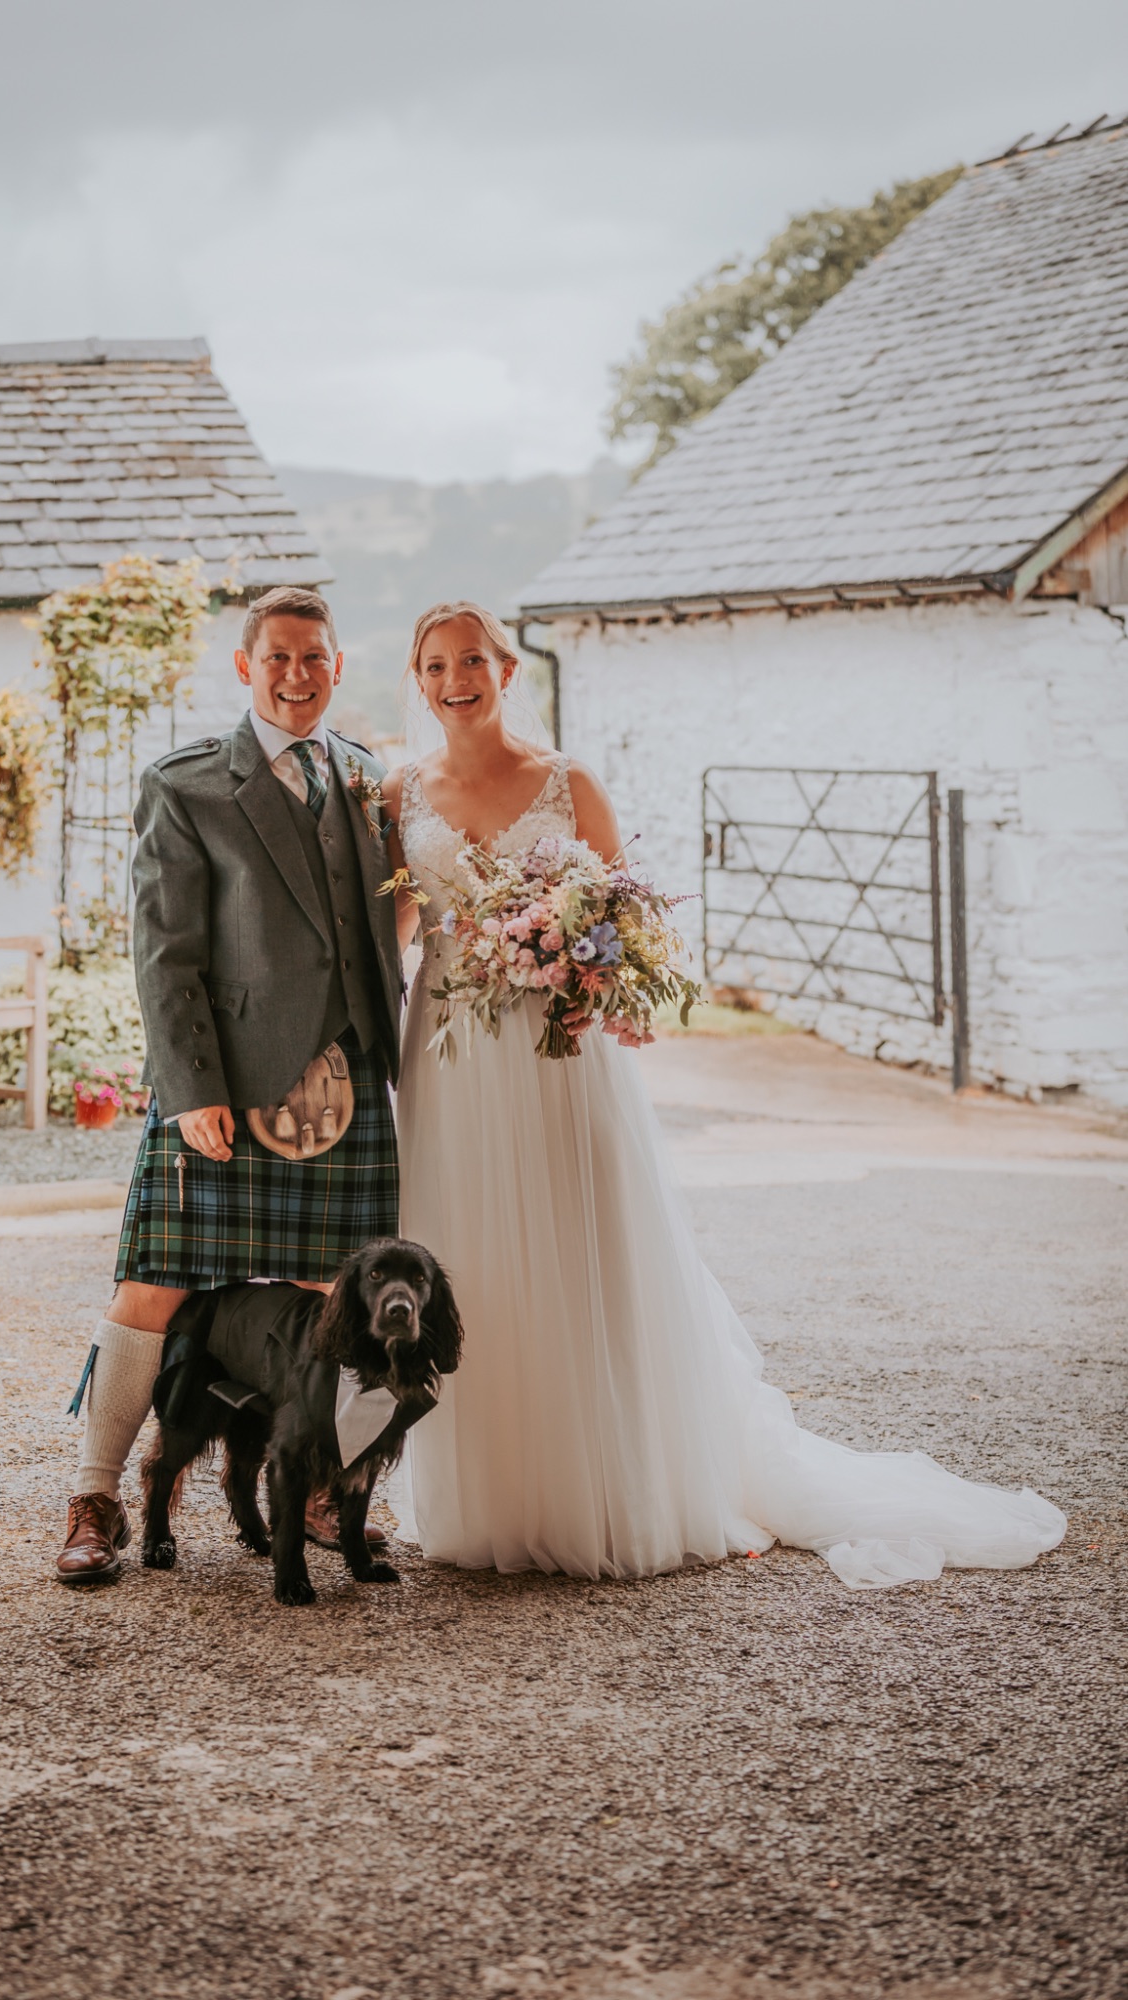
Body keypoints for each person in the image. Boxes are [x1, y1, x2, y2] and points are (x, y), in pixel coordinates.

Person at [380, 602, 1066, 1588]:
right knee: (467, 1249)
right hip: (448, 1051)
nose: (457, 680)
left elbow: (625, 921)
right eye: (437, 664)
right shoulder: (402, 789)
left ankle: (595, 1484)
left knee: (580, 1245)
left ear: (506, 667)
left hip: (556, 1053)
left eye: (473, 661)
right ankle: (487, 1490)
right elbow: (397, 927)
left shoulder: (568, 783)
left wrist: (588, 984)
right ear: (417, 673)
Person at [56, 586, 403, 1583]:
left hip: (347, 1083)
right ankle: (96, 1499)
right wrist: (192, 1086)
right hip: (224, 1084)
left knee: (335, 1293)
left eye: (315, 656)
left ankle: (328, 1486)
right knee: (151, 1288)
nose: (297, 674)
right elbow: (164, 955)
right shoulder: (188, 783)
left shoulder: (370, 779)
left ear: (339, 664)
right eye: (278, 656)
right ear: (245, 666)